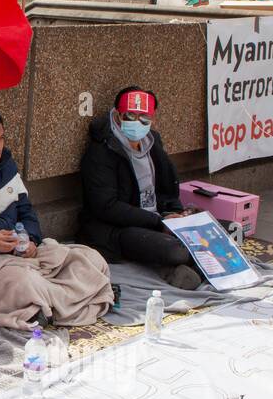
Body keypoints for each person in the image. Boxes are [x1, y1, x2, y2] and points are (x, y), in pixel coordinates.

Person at [0, 102, 113, 330]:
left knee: (90, 259)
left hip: (20, 254)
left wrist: (31, 240)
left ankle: (47, 305)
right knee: (23, 281)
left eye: (1, 138)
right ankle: (62, 302)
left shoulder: (7, 168)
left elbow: (26, 211)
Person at [78, 86, 203, 290]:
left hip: (157, 219)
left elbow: (167, 189)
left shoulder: (153, 142)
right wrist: (159, 222)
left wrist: (176, 213)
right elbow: (105, 207)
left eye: (144, 118)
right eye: (130, 116)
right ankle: (183, 267)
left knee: (214, 229)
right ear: (118, 116)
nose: (137, 123)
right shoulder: (101, 151)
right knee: (176, 250)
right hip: (118, 229)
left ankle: (186, 270)